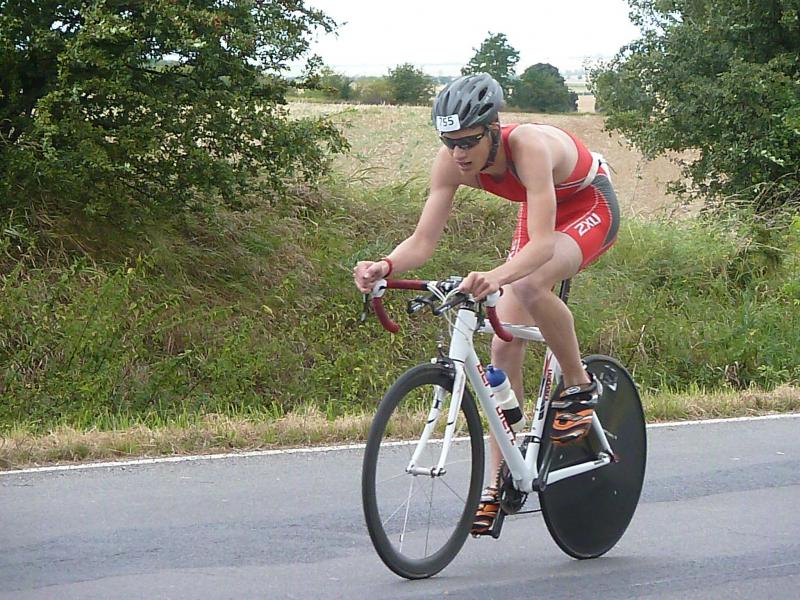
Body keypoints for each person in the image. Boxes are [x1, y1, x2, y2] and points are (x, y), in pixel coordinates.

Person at [352, 73, 620, 535]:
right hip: (542, 210)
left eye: (468, 141)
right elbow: (423, 240)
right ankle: (501, 479)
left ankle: (579, 386)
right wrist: (385, 265)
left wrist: (496, 275)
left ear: (494, 129)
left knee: (530, 284)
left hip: (588, 204)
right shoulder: (450, 162)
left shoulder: (528, 146)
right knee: (502, 341)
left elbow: (540, 248)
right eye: (449, 142)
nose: (458, 153)